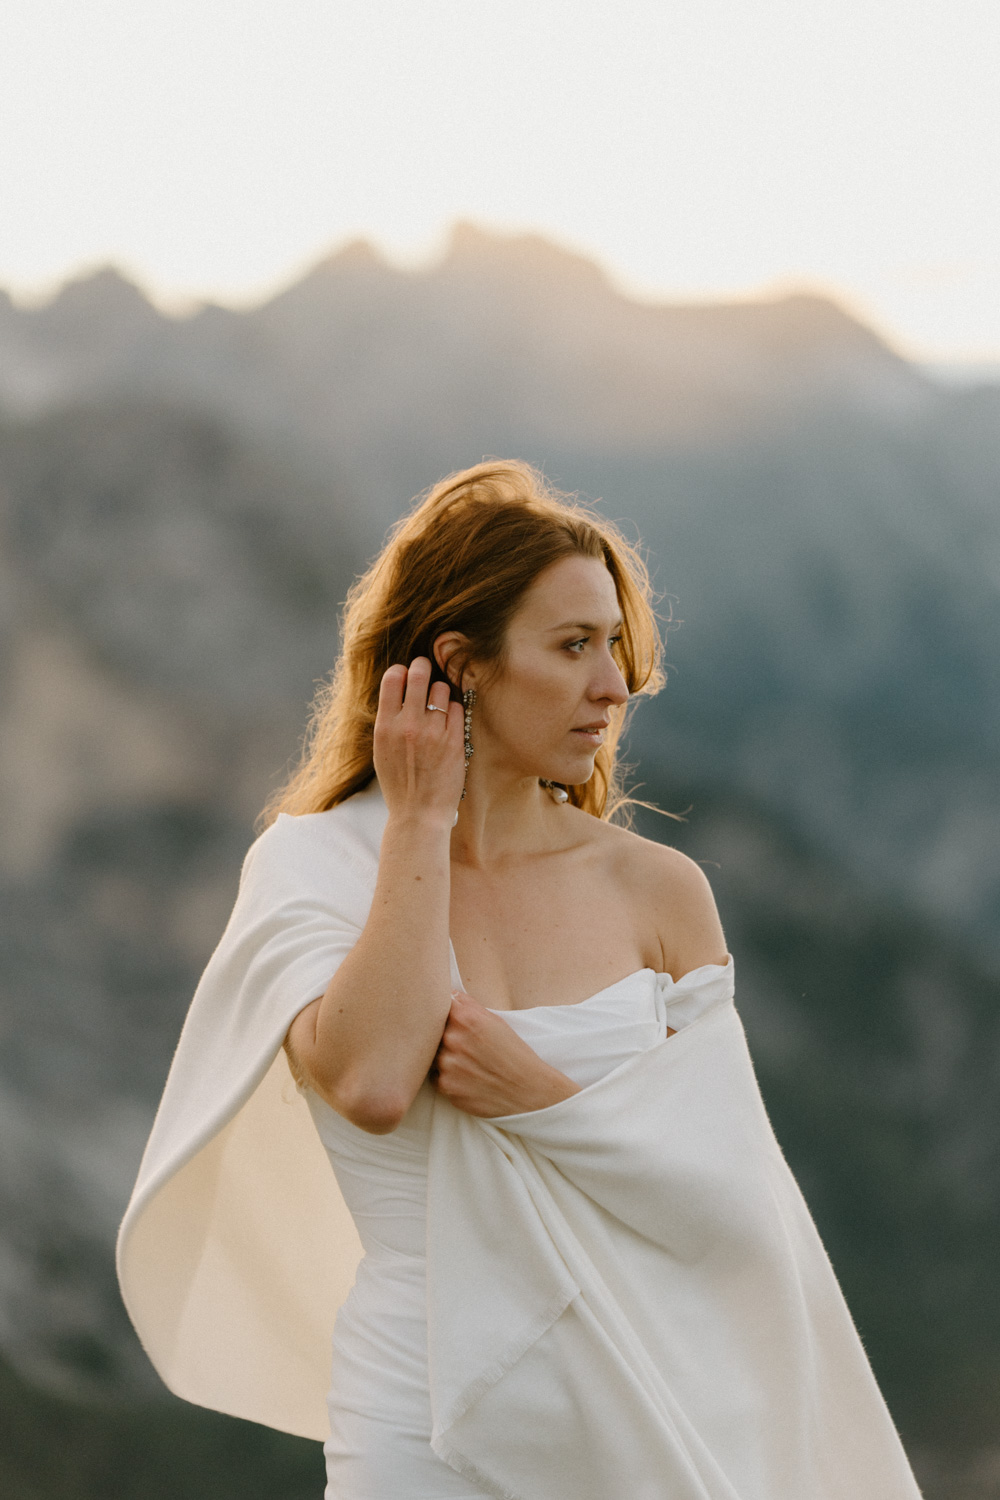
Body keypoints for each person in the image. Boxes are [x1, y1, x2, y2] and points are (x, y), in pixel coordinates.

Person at [118, 461, 922, 1499]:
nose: (614, 686)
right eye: (574, 645)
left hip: (643, 1389)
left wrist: (540, 1098)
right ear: (462, 664)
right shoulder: (310, 864)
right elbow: (368, 1082)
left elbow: (738, 1207)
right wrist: (417, 820)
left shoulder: (659, 892)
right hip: (420, 1414)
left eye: (616, 646)